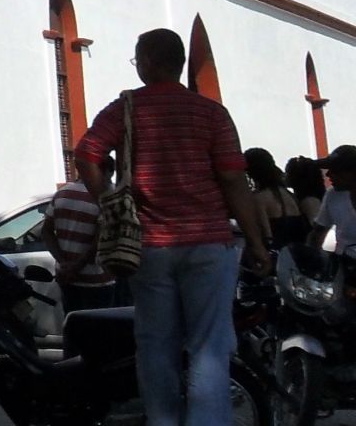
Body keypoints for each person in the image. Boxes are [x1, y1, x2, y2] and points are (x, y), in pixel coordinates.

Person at [77, 28, 268, 426]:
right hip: (209, 245)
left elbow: (88, 153)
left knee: (155, 344)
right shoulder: (212, 113)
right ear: (180, 64)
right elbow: (234, 181)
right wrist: (256, 243)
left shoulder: (126, 108)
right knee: (208, 348)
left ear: (147, 61)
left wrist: (109, 201)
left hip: (150, 246)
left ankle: (163, 420)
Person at [40, 171, 123, 313]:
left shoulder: (62, 193)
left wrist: (64, 263)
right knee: (100, 328)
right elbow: (101, 240)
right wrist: (76, 267)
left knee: (74, 325)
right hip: (97, 280)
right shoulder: (105, 196)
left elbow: (46, 231)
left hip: (67, 279)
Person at [245, 148, 309, 249]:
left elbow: (267, 234)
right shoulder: (288, 194)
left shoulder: (259, 198)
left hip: (279, 254)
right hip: (298, 253)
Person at [307, 145, 356, 257]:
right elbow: (318, 233)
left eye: (335, 170)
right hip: (344, 265)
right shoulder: (332, 195)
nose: (328, 174)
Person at [286, 155, 327, 228]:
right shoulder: (309, 198)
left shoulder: (309, 201)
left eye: (288, 173)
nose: (285, 176)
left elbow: (317, 228)